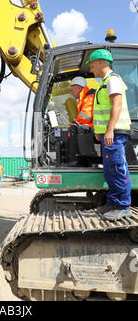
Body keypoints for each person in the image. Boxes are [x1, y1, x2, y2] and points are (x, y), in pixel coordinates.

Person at [86, 49, 132, 221]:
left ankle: (123, 206)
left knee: (116, 168)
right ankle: (113, 202)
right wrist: (100, 131)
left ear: (100, 62)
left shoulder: (112, 79)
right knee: (110, 170)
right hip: (108, 132)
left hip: (116, 131)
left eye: (92, 65)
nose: (91, 69)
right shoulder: (104, 82)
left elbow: (117, 105)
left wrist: (110, 129)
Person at [66, 76, 96, 166]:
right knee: (75, 127)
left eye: (72, 90)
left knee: (74, 129)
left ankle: (77, 160)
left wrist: (76, 123)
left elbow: (86, 116)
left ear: (79, 88)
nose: (71, 93)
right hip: (91, 125)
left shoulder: (89, 96)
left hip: (94, 126)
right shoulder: (84, 98)